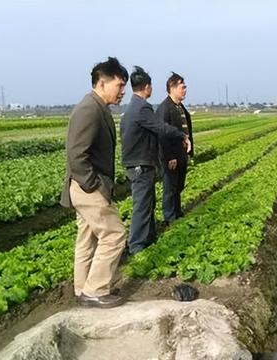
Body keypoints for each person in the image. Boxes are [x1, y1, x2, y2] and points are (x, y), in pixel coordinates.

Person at [60, 57, 128, 308]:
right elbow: (76, 155)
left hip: (85, 185)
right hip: (87, 187)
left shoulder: (96, 106)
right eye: (119, 85)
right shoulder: (89, 109)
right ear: (102, 83)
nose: (122, 92)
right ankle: (95, 290)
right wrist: (94, 185)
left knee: (87, 237)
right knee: (114, 234)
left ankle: (82, 288)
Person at [120, 66, 190, 255]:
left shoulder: (132, 106)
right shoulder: (142, 107)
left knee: (147, 202)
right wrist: (181, 136)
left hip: (138, 163)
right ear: (147, 87)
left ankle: (149, 238)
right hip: (140, 164)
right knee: (142, 205)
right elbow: (160, 128)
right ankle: (137, 246)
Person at [156, 72, 194, 224]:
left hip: (182, 154)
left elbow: (187, 132)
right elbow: (162, 135)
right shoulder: (165, 109)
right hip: (171, 157)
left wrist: (190, 151)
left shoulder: (180, 107)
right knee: (170, 188)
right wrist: (170, 156)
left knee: (178, 186)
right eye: (182, 87)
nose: (185, 90)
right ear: (172, 88)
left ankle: (178, 213)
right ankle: (170, 218)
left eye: (185, 87)